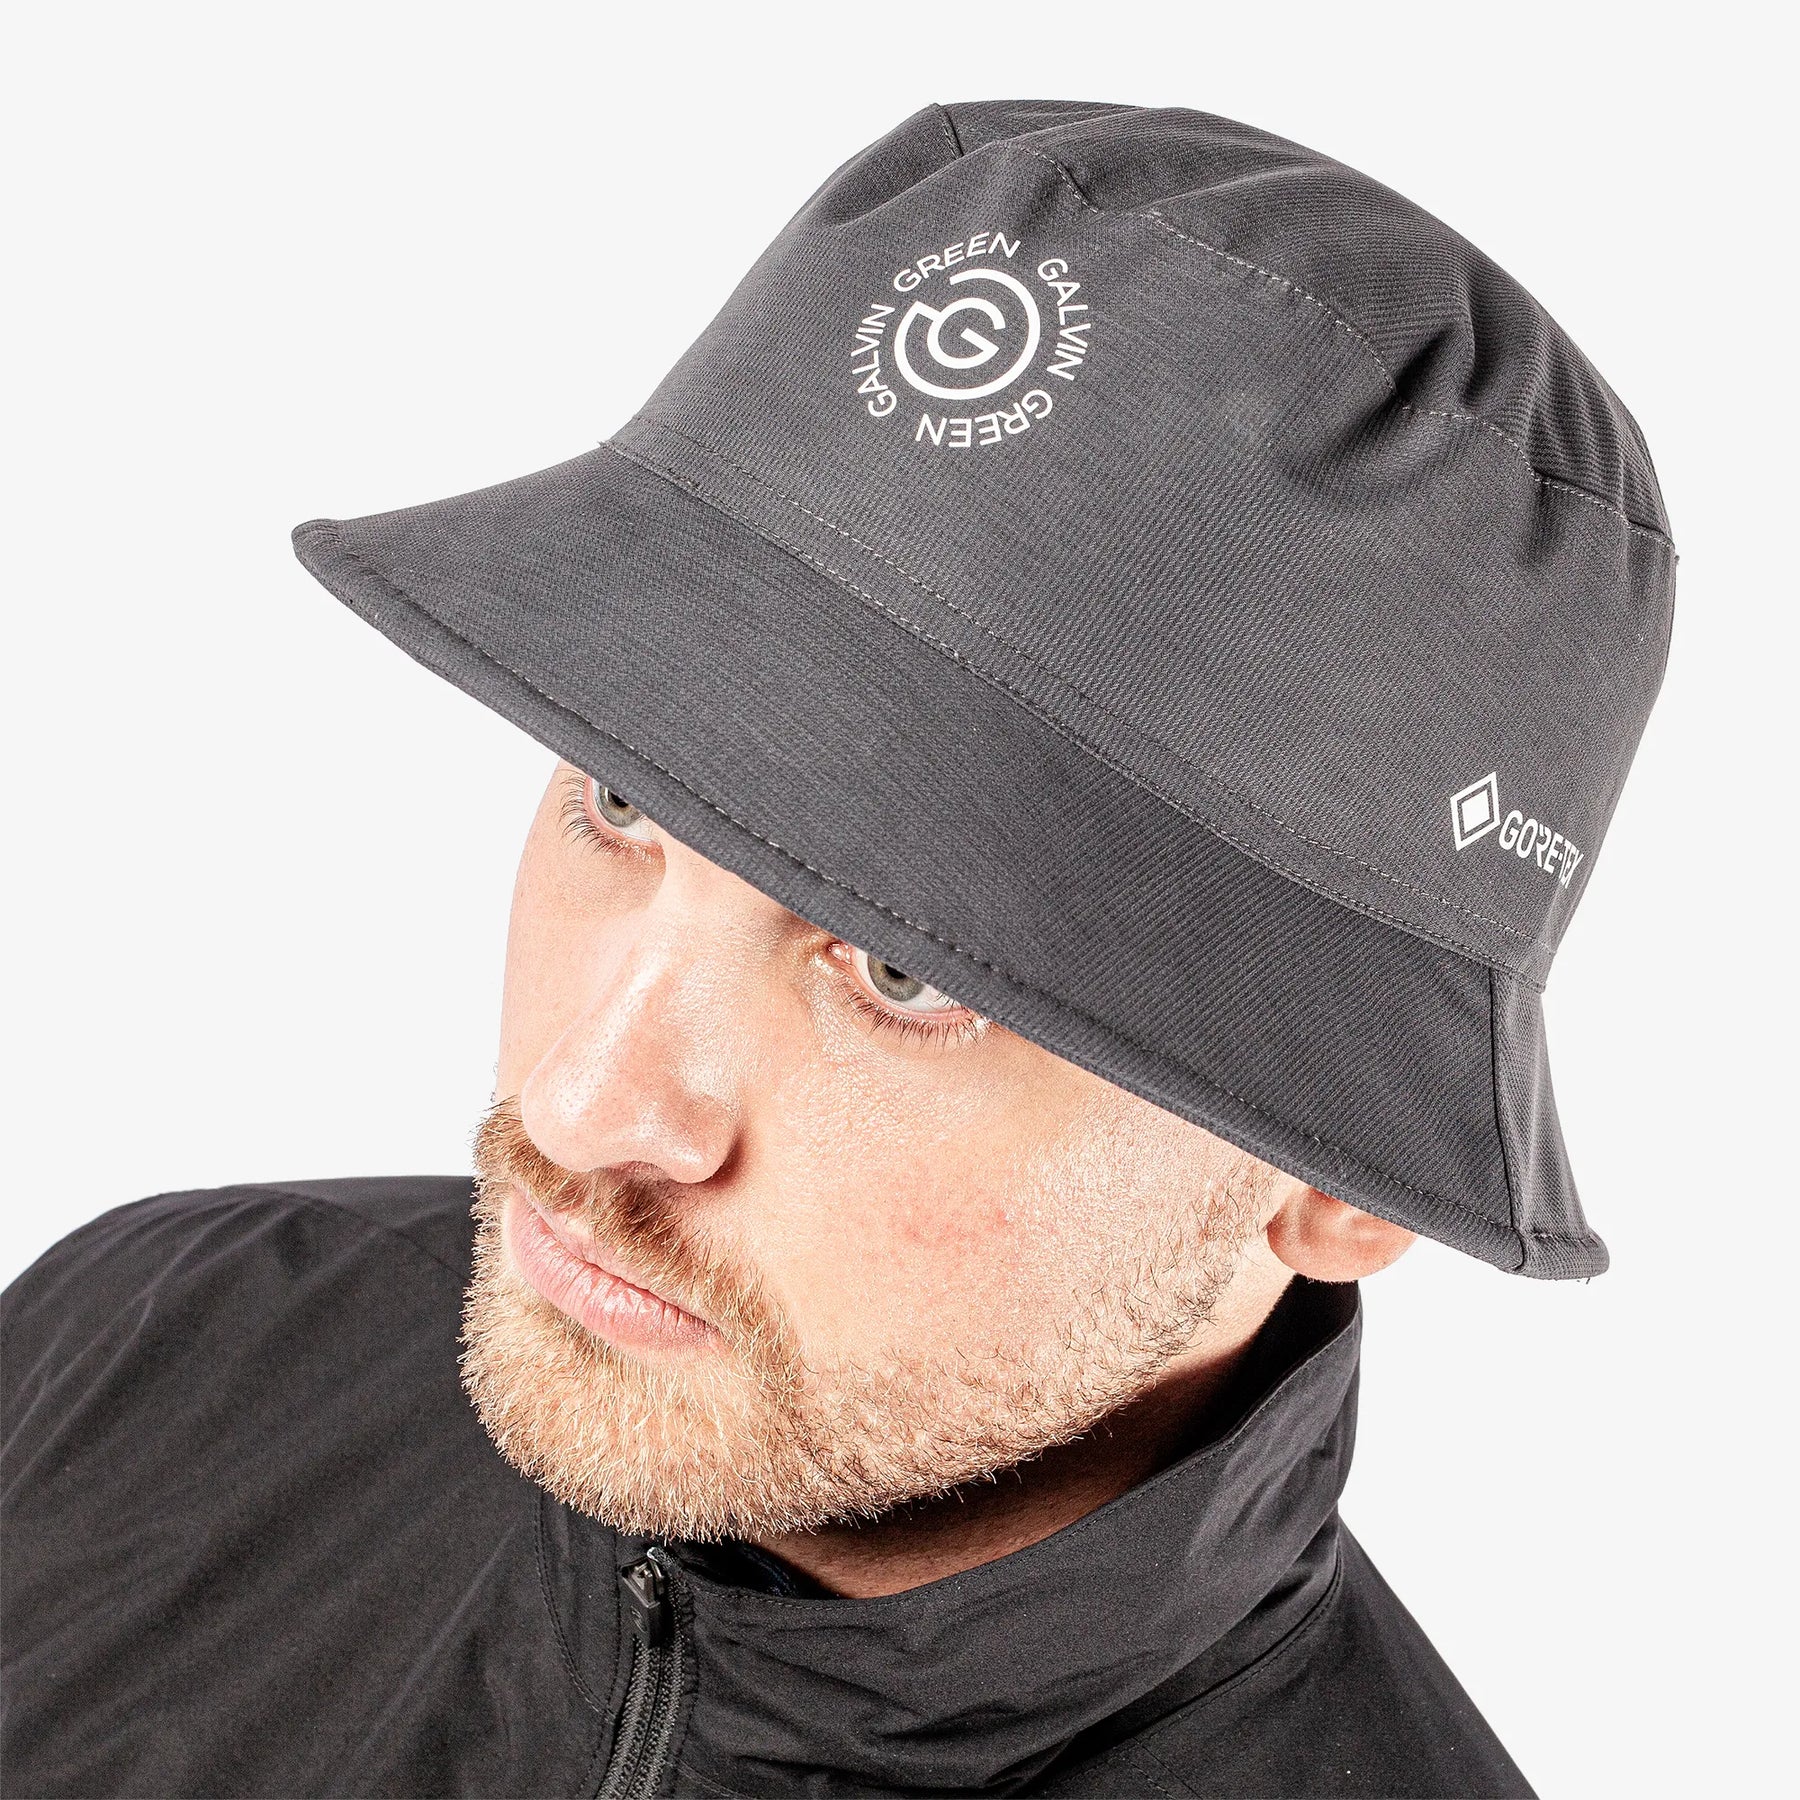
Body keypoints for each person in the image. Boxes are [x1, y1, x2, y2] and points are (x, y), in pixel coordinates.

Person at [0, 98, 1676, 1799]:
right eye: (624, 804)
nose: (583, 1108)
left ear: (1344, 1180)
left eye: (900, 968)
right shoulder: (158, 1347)